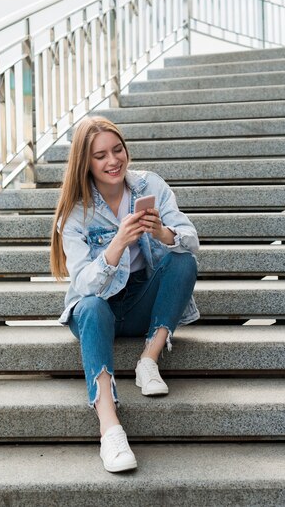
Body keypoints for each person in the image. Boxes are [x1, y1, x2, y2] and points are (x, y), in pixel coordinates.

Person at [50, 116, 199, 473]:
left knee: (183, 262)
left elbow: (191, 240)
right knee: (90, 307)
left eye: (117, 150)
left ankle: (148, 359)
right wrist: (116, 245)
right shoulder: (76, 212)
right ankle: (110, 428)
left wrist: (162, 233)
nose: (113, 161)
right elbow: (83, 283)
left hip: (139, 305)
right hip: (97, 311)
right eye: (100, 155)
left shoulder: (150, 184)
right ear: (85, 163)